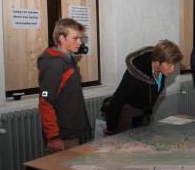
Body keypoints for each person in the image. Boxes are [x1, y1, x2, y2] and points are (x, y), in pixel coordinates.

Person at [103, 40, 183, 134]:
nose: (172, 69)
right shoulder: (134, 74)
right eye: (169, 65)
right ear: (157, 63)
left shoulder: (161, 70)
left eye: (173, 64)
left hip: (142, 115)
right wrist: (111, 128)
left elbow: (151, 97)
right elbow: (117, 100)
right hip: (125, 117)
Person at [37, 18, 90, 153]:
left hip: (72, 130)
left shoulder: (68, 59)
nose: (80, 42)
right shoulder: (54, 64)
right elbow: (45, 102)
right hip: (63, 135)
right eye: (75, 38)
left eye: (81, 38)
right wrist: (53, 138)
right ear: (62, 38)